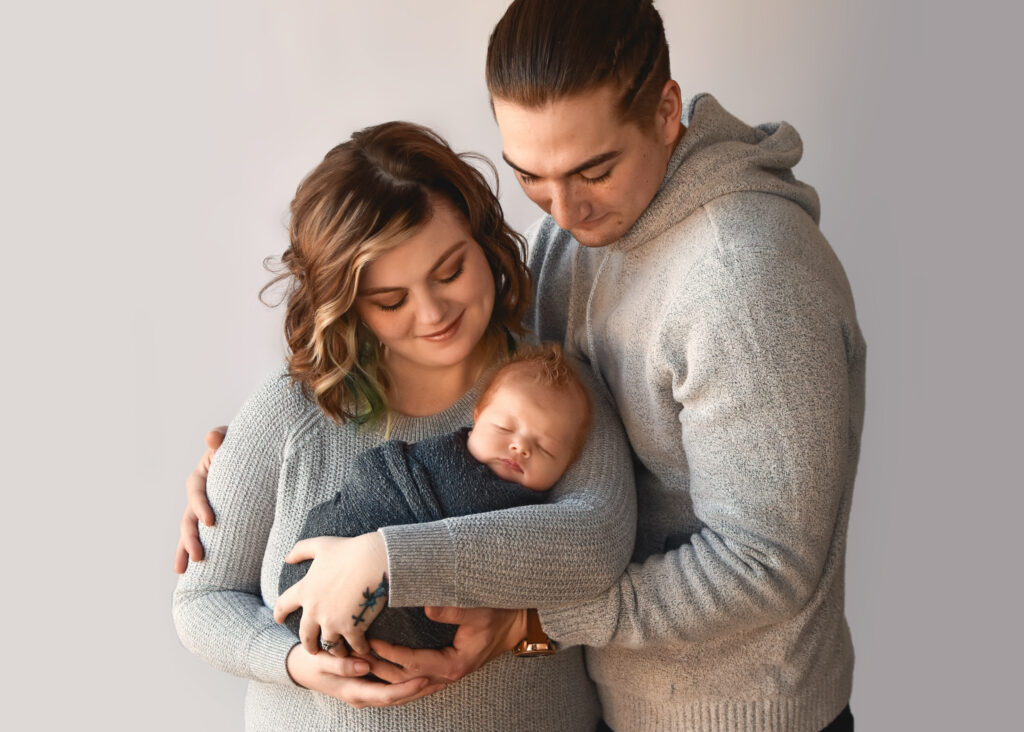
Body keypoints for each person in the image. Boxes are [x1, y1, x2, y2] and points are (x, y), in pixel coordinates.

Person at [179, 0, 865, 729]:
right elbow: (486, 380)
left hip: (735, 712)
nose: (563, 212)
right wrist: (239, 467)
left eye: (593, 170)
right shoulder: (570, 244)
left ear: (667, 112)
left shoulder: (744, 276)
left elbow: (764, 563)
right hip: (627, 702)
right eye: (531, 176)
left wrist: (500, 611)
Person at [172, 120, 635, 731]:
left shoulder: (552, 392)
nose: (433, 312)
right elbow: (202, 600)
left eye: (449, 272)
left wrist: (386, 559)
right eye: (390, 300)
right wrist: (289, 662)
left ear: (484, 241)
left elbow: (595, 546)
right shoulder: (286, 414)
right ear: (346, 302)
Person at [279, 343, 592, 650]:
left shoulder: (549, 523)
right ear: (477, 416)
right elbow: (376, 476)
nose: (520, 446)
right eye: (504, 427)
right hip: (335, 549)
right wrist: (292, 664)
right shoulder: (434, 456)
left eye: (546, 448)